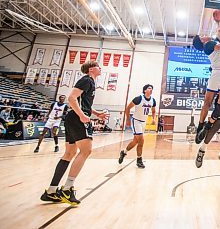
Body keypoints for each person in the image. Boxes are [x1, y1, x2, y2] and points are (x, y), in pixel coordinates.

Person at [40, 61, 109, 205]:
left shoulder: (90, 82)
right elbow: (72, 98)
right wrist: (82, 116)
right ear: (91, 69)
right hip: (77, 118)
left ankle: (52, 191)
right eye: (98, 66)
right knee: (86, 151)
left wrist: (97, 113)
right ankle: (67, 189)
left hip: (73, 117)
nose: (100, 68)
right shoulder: (87, 80)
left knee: (69, 154)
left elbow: (83, 103)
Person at [118, 84, 157, 169]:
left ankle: (123, 152)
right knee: (141, 141)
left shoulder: (153, 100)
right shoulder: (139, 98)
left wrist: (154, 118)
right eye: (149, 88)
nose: (151, 90)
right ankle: (139, 160)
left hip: (143, 122)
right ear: (145, 90)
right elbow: (128, 108)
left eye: (152, 89)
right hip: (136, 121)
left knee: (135, 141)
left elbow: (153, 111)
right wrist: (128, 119)